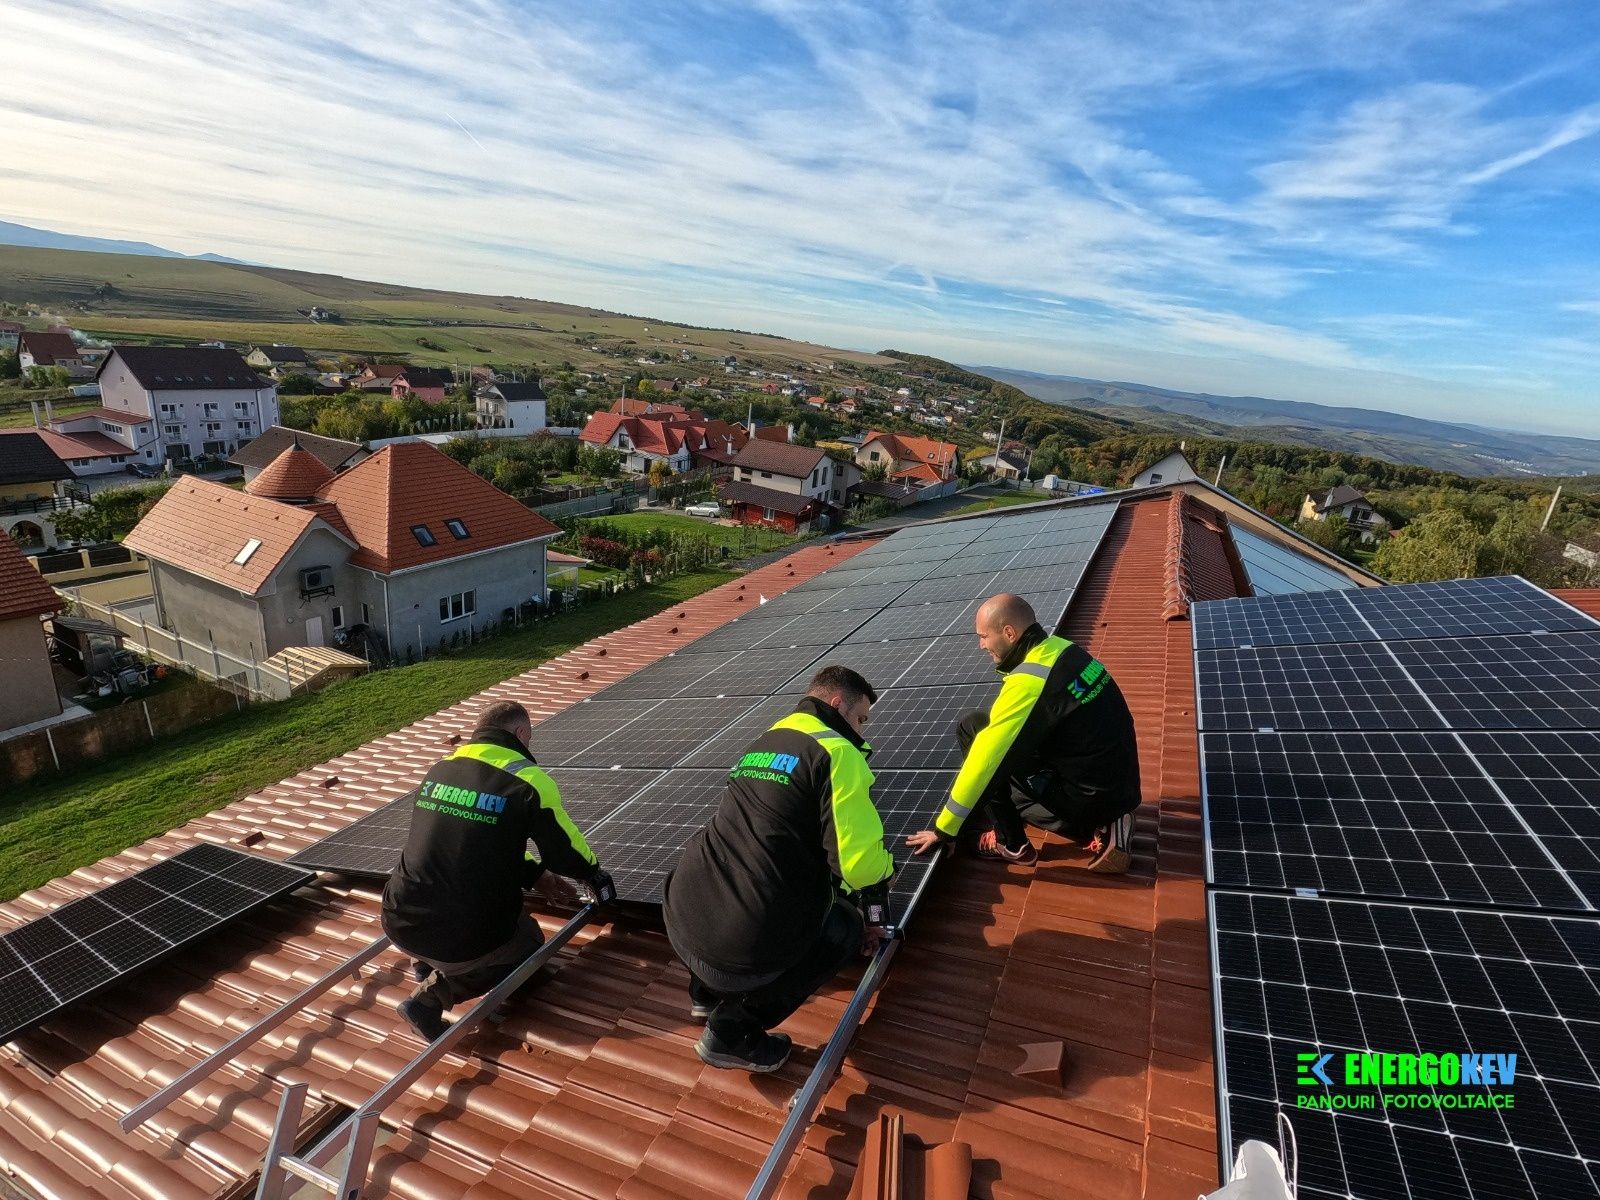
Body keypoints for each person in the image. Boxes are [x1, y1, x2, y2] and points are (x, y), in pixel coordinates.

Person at [663, 666, 896, 1072]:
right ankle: (732, 1033)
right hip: (737, 949)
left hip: (683, 920)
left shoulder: (769, 738)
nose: (862, 730)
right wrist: (880, 884)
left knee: (735, 859)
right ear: (837, 704)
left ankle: (703, 993)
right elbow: (857, 865)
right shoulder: (837, 753)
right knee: (844, 926)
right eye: (860, 718)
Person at [381, 700, 614, 1040]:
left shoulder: (442, 768)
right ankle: (429, 1000)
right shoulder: (527, 781)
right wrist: (595, 876)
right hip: (455, 934)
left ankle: (424, 963)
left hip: (397, 917)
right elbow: (566, 854)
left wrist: (537, 876)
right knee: (529, 942)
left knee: (448, 899)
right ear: (520, 733)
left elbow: (472, 846)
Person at [906, 593, 1140, 872]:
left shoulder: (1029, 683)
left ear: (1009, 633)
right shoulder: (1062, 649)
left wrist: (945, 829)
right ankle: (1110, 816)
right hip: (1119, 783)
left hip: (1089, 800)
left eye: (983, 636)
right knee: (997, 732)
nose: (980, 645)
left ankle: (1013, 844)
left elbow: (985, 762)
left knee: (975, 734)